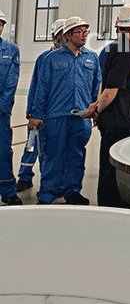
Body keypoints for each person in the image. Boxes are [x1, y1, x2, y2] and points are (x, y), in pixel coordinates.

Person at [31, 17, 101, 205]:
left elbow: (97, 87)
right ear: (67, 35)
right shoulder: (52, 59)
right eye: (79, 32)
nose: (84, 35)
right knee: (52, 155)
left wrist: (96, 110)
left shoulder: (92, 58)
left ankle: (73, 191)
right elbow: (42, 88)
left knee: (76, 155)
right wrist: (37, 115)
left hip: (82, 117)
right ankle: (47, 193)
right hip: (56, 116)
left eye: (86, 32)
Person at [95, 3, 130, 206]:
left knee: (110, 167)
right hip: (118, 120)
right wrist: (98, 110)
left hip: (118, 118)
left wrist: (97, 105)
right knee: (111, 169)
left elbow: (105, 83)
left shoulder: (119, 47)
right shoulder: (125, 51)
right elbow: (111, 90)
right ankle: (109, 207)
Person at [16, 17, 66, 193]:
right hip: (40, 111)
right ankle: (25, 177)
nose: (65, 37)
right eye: (62, 34)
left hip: (56, 113)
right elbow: (35, 85)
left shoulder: (70, 59)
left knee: (52, 150)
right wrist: (31, 109)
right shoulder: (43, 58)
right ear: (54, 36)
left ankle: (52, 182)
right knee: (31, 146)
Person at [0, 10, 22, 205]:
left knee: (3, 151)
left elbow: (11, 82)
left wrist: (2, 107)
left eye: (0, 24)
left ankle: (8, 191)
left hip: (1, 113)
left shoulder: (11, 50)